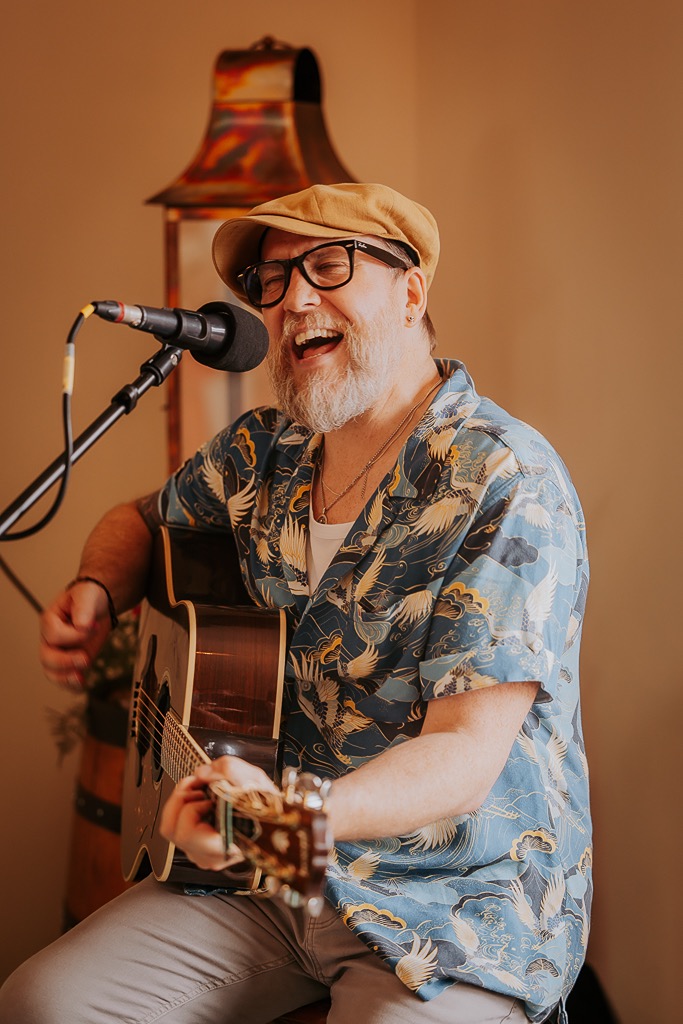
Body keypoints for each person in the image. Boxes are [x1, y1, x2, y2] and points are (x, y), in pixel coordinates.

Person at [0, 183, 591, 1024]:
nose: (292, 301)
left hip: (456, 901)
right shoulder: (263, 451)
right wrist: (98, 588)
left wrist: (289, 817)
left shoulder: (502, 477)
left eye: (326, 265)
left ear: (411, 290)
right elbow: (135, 520)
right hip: (268, 882)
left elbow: (463, 755)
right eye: (270, 283)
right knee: (43, 1003)